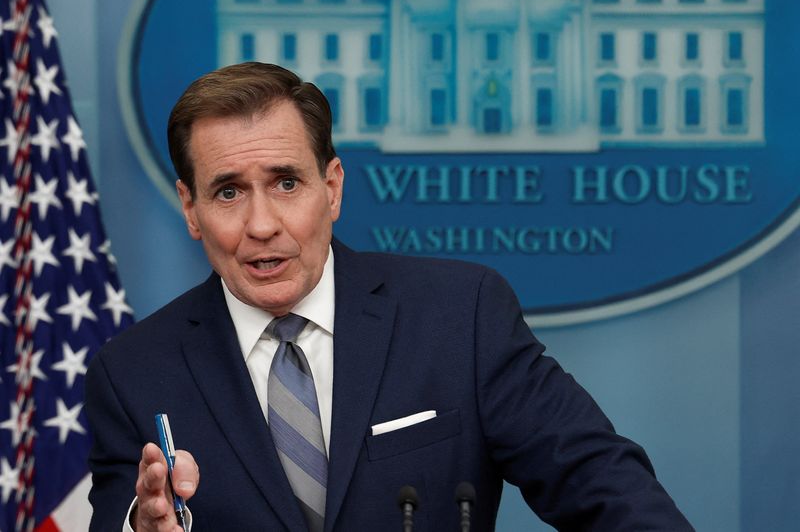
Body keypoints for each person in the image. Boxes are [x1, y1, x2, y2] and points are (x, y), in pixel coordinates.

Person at [85, 62, 693, 531]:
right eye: (227, 193)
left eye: (287, 182)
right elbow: (129, 514)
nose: (262, 223)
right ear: (190, 209)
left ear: (332, 187)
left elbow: (600, 483)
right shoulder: (134, 373)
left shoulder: (460, 315)